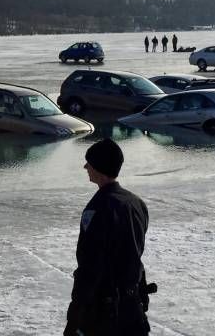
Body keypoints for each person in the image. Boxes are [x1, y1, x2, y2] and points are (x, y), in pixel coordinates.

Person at [64, 139, 154, 336]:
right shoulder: (136, 203)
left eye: (89, 162)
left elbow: (91, 264)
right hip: (132, 307)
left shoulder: (97, 208)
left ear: (99, 167)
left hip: (104, 314)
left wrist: (76, 314)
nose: (85, 166)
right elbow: (135, 254)